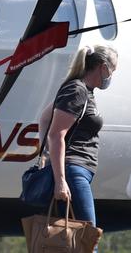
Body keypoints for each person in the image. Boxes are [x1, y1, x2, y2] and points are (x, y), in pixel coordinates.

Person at [38, 45, 118, 230]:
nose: (111, 76)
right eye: (112, 70)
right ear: (103, 67)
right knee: (87, 238)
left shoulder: (84, 91)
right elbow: (56, 134)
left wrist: (46, 154)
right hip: (74, 171)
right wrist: (60, 180)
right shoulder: (77, 91)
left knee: (79, 240)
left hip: (77, 171)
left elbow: (44, 118)